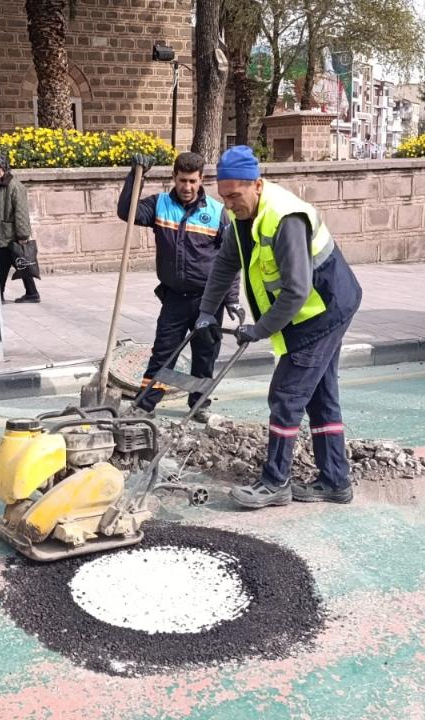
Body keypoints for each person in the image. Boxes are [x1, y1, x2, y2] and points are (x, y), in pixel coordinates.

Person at [196, 145, 363, 509]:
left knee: (286, 395)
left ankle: (275, 483)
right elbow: (225, 266)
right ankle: (335, 481)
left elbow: (297, 291)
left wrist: (260, 329)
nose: (229, 205)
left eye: (235, 196)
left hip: (323, 310)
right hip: (310, 310)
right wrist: (206, 312)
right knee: (319, 396)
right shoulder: (241, 219)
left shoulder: (285, 218)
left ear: (257, 184)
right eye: (223, 197)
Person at [118, 151, 241, 422]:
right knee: (164, 351)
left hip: (209, 300)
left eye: (193, 181)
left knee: (205, 354)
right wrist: (134, 174)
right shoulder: (159, 204)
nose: (187, 187)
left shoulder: (217, 212)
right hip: (174, 298)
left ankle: (199, 404)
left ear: (201, 180)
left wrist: (232, 298)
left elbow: (232, 259)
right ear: (173, 177)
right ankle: (144, 405)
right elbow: (126, 212)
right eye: (182, 180)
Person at [0, 155, 40, 305]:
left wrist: (22, 234)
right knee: (20, 263)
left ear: (5, 167)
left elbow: (21, 212)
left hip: (11, 234)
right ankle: (32, 293)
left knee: (3, 265)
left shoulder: (15, 186)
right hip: (1, 233)